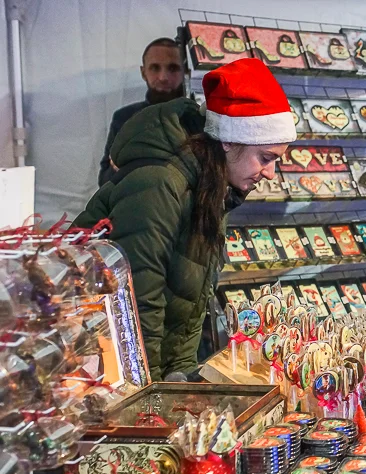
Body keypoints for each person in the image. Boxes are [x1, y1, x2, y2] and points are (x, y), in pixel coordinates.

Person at [74, 58, 295, 382]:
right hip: (116, 374)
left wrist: (181, 378)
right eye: (265, 158)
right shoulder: (160, 183)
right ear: (229, 140)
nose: (270, 173)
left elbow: (187, 301)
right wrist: (149, 395)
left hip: (155, 372)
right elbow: (139, 304)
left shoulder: (210, 187)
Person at [98, 38, 186, 186]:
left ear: (185, 72)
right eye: (155, 68)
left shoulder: (200, 118)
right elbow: (104, 181)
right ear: (143, 72)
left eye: (172, 68)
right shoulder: (124, 118)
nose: (163, 77)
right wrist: (118, 167)